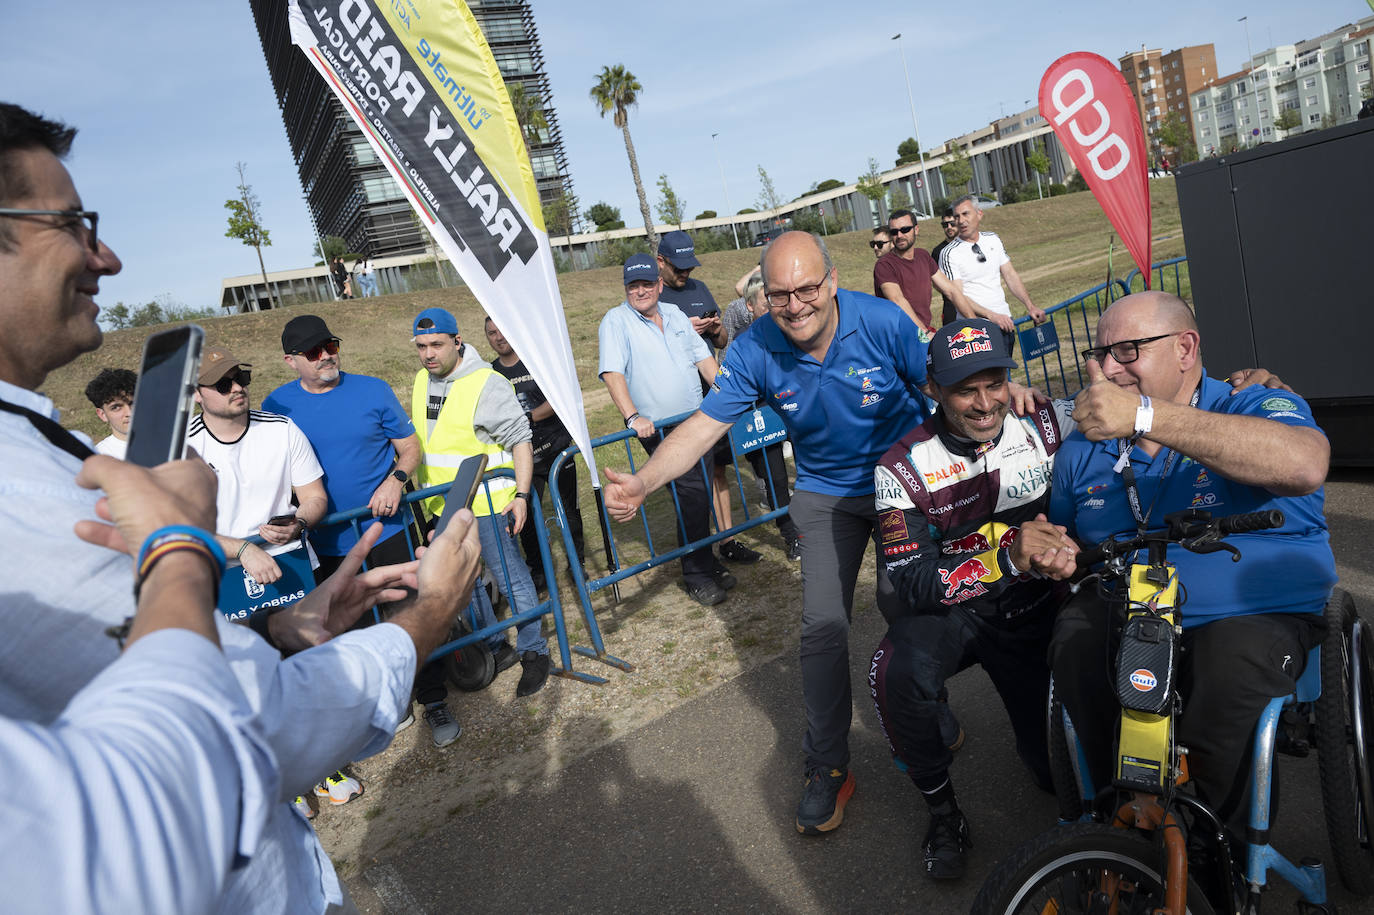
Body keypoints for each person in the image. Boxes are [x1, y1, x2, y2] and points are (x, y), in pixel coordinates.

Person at [0, 100, 488, 915]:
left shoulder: (32, 444)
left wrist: (273, 630)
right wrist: (422, 620)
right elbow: (235, 730)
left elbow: (153, 675)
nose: (106, 256)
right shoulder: (15, 497)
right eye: (74, 224)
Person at [603, 232, 979, 836]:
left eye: (807, 288)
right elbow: (703, 428)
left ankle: (928, 712)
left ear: (831, 282)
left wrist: (996, 401)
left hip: (900, 484)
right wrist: (644, 481)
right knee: (823, 628)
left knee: (913, 609)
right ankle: (829, 766)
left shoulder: (881, 322)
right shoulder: (754, 349)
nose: (796, 304)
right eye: (780, 294)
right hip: (825, 493)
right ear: (764, 296)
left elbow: (944, 386)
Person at [1040, 291, 1334, 837]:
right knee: (1076, 641)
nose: (1107, 367)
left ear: (1185, 348)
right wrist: (1049, 547)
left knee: (1226, 675)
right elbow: (1068, 539)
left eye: (1127, 350)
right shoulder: (1084, 442)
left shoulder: (1250, 401)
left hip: (1250, 609)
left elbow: (1304, 462)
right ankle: (1120, 828)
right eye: (1100, 352)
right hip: (1132, 602)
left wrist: (1148, 416)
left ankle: (1222, 850)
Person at [867, 319, 1078, 879]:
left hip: (1037, 614)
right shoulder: (899, 466)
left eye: (995, 383)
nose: (986, 404)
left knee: (1052, 777)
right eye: (966, 389)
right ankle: (943, 813)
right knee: (892, 671)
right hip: (957, 614)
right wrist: (1006, 560)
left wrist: (1247, 392)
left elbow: (1134, 401)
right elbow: (912, 582)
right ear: (932, 387)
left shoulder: (1048, 420)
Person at [411, 307, 552, 698]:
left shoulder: (485, 383)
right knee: (464, 584)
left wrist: (522, 496)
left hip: (490, 504)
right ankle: (495, 647)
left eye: (436, 344)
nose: (428, 354)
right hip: (444, 507)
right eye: (421, 346)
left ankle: (534, 652)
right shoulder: (423, 379)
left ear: (457, 341)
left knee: (511, 581)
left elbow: (520, 439)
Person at [598, 253, 737, 607]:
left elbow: (703, 359)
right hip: (658, 428)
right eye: (633, 285)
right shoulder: (615, 322)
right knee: (692, 494)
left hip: (696, 420)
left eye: (647, 283)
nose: (640, 291)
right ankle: (696, 573)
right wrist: (632, 417)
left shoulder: (674, 315)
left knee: (700, 493)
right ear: (625, 288)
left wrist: (727, 396)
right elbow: (612, 372)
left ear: (659, 284)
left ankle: (705, 559)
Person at [657, 229, 761, 565]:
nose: (686, 273)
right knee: (691, 481)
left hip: (712, 393)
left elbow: (720, 340)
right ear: (661, 262)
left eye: (689, 266)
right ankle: (699, 554)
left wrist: (714, 328)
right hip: (681, 402)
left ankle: (727, 540)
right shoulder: (653, 299)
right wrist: (683, 330)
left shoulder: (699, 289)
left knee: (718, 469)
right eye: (678, 267)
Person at [485, 315, 586, 589]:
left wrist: (527, 418)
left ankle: (578, 564)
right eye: (491, 333)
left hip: (555, 449)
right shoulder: (490, 373)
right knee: (525, 516)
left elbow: (557, 397)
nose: (498, 337)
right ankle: (538, 571)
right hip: (523, 458)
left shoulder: (534, 361)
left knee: (569, 511)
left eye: (501, 330)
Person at [719, 272, 802, 559]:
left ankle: (820, 521)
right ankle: (791, 534)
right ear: (750, 307)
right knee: (776, 479)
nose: (771, 306)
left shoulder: (792, 330)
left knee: (807, 467)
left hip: (795, 412)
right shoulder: (742, 344)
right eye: (763, 302)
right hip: (760, 417)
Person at [939, 195, 1047, 329]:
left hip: (1005, 320)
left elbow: (1010, 275)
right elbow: (957, 296)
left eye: (966, 214)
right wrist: (991, 316)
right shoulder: (949, 253)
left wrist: (1030, 306)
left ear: (979, 214)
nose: (961, 221)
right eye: (957, 217)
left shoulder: (993, 239)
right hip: (976, 329)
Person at [874, 208, 982, 339]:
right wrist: (924, 333)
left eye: (905, 229)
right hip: (898, 338)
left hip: (922, 333)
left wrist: (974, 322)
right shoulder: (885, 265)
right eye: (894, 232)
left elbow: (951, 291)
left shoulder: (923, 256)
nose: (900, 235)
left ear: (916, 230)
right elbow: (897, 300)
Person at [83, 366, 135, 458]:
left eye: (133, 403)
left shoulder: (167, 439)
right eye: (116, 407)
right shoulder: (100, 457)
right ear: (102, 415)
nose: (129, 413)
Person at [930, 208, 960, 326]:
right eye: (945, 225)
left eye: (952, 224)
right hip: (950, 306)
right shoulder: (937, 251)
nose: (949, 227)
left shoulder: (967, 245)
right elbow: (935, 282)